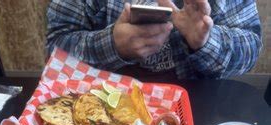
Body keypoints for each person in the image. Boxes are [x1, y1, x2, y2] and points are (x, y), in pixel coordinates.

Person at [47, 0, 262, 79]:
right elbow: (55, 49)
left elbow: (251, 49)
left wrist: (207, 42)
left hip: (199, 113)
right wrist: (112, 45)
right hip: (97, 108)